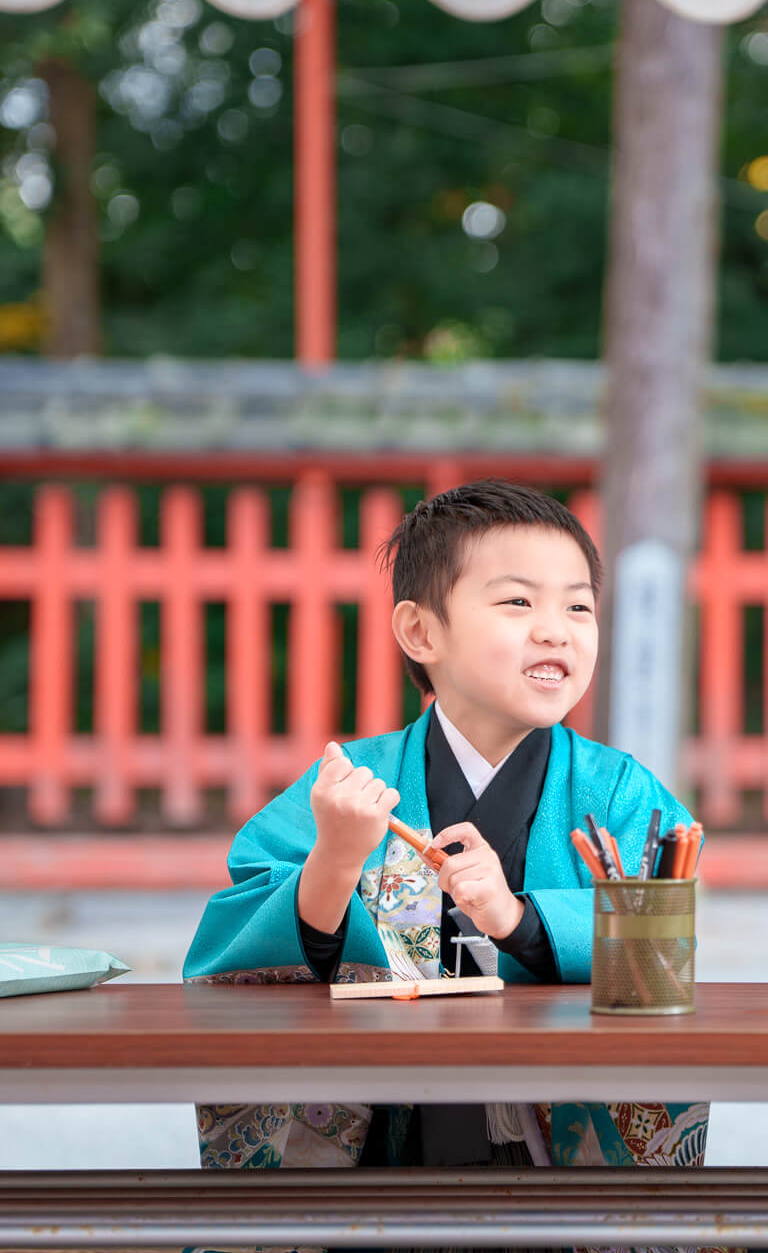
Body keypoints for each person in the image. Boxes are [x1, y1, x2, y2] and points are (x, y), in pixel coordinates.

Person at [184, 478, 706, 1179]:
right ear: (421, 631)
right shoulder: (353, 786)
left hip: (560, 1141)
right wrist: (335, 861)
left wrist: (519, 920)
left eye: (578, 606)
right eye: (519, 601)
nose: (555, 628)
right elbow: (231, 947)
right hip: (377, 1139)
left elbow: (664, 945)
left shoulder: (616, 788)